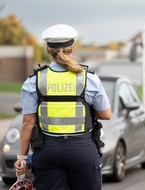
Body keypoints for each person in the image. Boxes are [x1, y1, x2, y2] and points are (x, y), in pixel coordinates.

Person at [14, 24, 112, 190]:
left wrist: (22, 157)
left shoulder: (34, 81)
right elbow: (106, 114)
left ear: (47, 50)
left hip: (47, 151)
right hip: (82, 151)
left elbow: (28, 123)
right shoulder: (88, 78)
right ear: (71, 50)